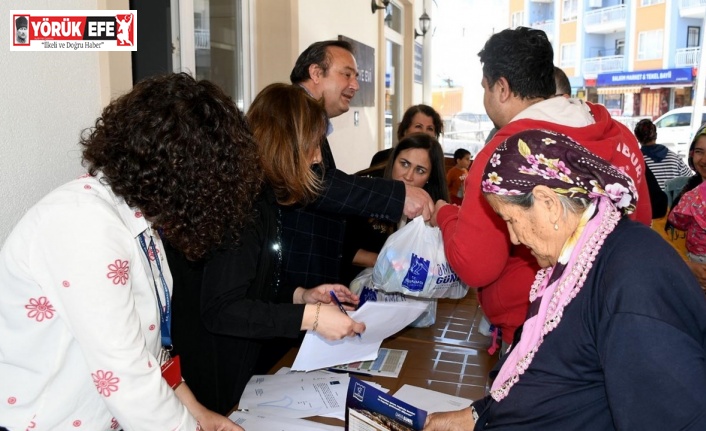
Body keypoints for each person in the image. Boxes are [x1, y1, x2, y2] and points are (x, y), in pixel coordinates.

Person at [0, 73, 244, 431]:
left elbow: (150, 348)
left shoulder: (137, 221)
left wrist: (198, 413)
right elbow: (126, 372)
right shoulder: (82, 225)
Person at [424, 129, 706, 431]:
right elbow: (553, 373)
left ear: (548, 203)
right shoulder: (575, 260)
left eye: (510, 219)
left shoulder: (635, 280)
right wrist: (477, 416)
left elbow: (675, 417)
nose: (514, 237)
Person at [431, 27, 651, 349]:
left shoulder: (505, 155)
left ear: (502, 88)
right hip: (612, 313)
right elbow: (640, 219)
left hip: (535, 326)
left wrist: (446, 215)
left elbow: (476, 264)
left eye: (485, 87)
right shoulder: (618, 134)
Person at [166, 83, 366, 415]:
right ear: (287, 144)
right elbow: (222, 308)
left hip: (233, 369)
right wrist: (311, 318)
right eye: (314, 145)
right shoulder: (241, 205)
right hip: (208, 377)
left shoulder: (260, 196)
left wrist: (301, 295)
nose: (318, 157)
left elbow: (251, 281)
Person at [284, 40, 434, 289]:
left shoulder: (307, 116)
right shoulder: (293, 111)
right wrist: (398, 195)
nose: (355, 85)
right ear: (315, 73)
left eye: (356, 76)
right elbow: (315, 184)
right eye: (346, 75)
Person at [340, 133, 449, 285]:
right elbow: (340, 247)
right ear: (393, 161)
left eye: (420, 170)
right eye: (404, 164)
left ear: (430, 176)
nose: (408, 176)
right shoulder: (367, 189)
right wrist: (388, 263)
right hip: (351, 286)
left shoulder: (431, 201)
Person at [667, 125, 706, 287]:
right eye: (699, 151)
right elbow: (667, 235)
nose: (704, 160)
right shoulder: (685, 190)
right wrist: (688, 267)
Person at [366, 104, 445, 177]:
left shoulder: (435, 162)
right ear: (405, 130)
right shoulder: (381, 157)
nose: (424, 132)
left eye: (430, 128)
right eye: (418, 126)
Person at [634, 118, 692, 189]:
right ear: (656, 135)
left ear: (637, 138)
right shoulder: (675, 158)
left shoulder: (636, 161)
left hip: (650, 200)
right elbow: (690, 180)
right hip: (673, 199)